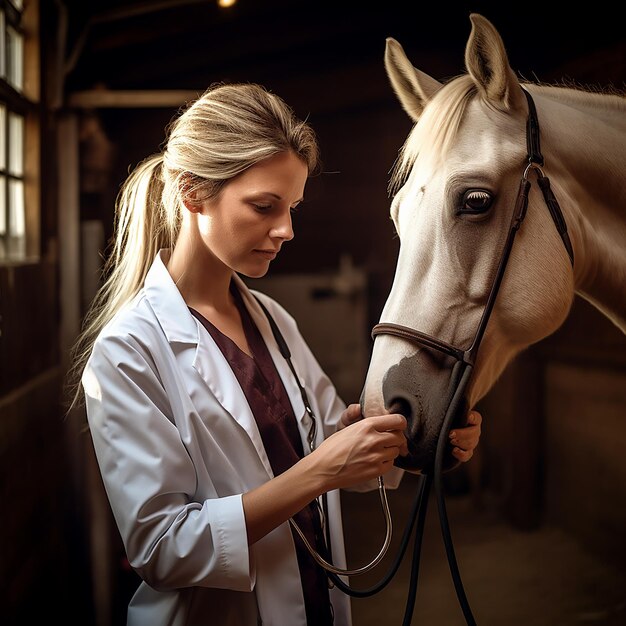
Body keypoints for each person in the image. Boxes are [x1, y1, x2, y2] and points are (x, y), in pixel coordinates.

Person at [68, 82, 482, 626]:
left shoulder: (271, 320)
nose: (286, 230)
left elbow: (332, 447)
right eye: (265, 206)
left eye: (291, 207)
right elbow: (163, 548)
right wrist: (317, 471)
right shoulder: (129, 352)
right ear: (192, 192)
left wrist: (411, 437)